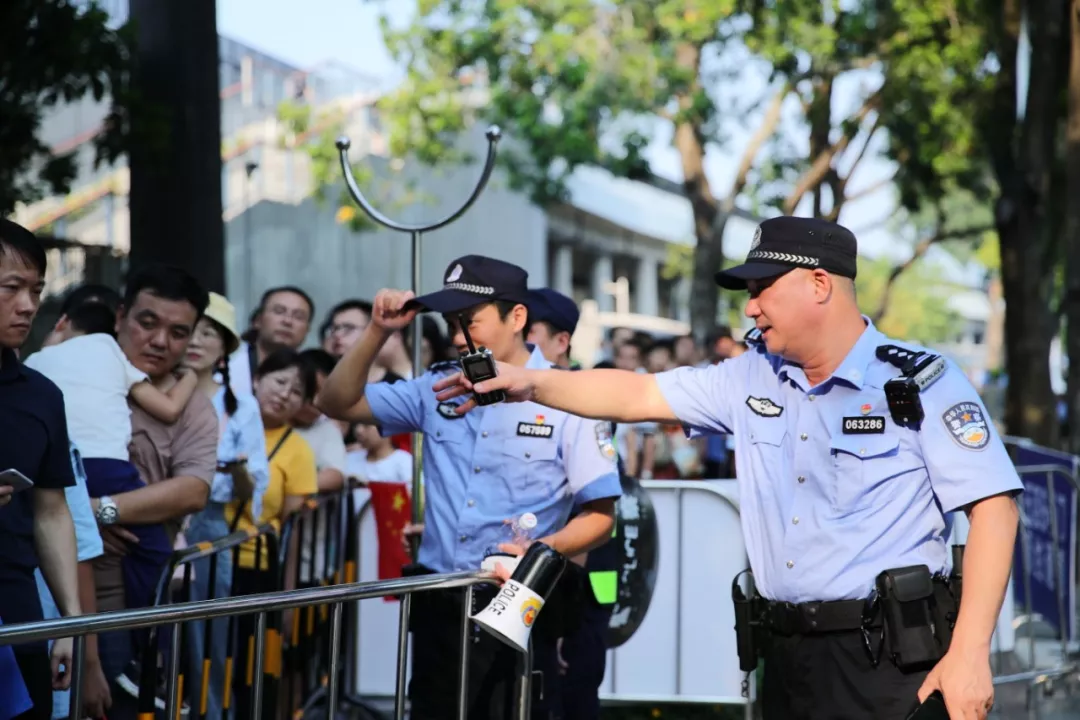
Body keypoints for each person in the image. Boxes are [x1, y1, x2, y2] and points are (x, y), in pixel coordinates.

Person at [433, 217, 1023, 720]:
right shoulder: (750, 376)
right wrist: (529, 381)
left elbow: (995, 508)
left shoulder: (916, 380)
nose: (750, 306)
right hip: (783, 657)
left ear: (820, 284)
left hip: (889, 663)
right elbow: (638, 394)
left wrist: (971, 652)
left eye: (763, 288)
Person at [316, 255, 623, 720]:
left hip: (520, 602)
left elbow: (601, 517)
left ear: (516, 317)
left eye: (470, 321)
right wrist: (378, 330)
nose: (458, 336)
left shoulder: (567, 396)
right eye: (450, 323)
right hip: (439, 601)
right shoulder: (436, 387)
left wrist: (541, 551)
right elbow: (335, 401)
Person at [91, 265, 218, 718]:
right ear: (120, 316)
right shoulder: (79, 377)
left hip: (141, 583)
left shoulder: (194, 410)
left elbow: (192, 491)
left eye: (178, 332)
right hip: (52, 574)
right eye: (148, 323)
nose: (160, 341)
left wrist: (100, 512)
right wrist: (78, 523)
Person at [24, 301, 200, 612]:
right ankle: (148, 625)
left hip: (58, 473)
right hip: (107, 470)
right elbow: (169, 409)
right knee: (154, 550)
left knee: (71, 550)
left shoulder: (34, 361)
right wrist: (191, 377)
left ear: (62, 323)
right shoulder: (109, 349)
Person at [0, 219, 81, 720]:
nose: (28, 305)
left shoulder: (42, 396)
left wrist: (69, 620)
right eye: (12, 288)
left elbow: (52, 511)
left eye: (36, 290)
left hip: (19, 612)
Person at [180, 292, 270, 720]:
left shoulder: (241, 406)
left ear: (225, 348)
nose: (196, 341)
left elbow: (253, 486)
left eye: (209, 333)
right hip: (152, 521)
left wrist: (236, 471)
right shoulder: (151, 391)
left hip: (209, 525)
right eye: (190, 330)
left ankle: (212, 712)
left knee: (209, 634)